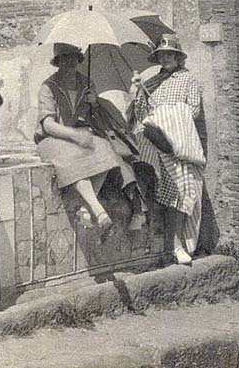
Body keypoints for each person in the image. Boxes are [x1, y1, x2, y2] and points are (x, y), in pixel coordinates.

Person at [35, 43, 147, 233]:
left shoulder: (86, 83)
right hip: (54, 138)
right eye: (64, 58)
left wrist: (94, 104)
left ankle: (87, 209)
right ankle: (97, 210)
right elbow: (47, 125)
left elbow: (94, 117)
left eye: (73, 57)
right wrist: (73, 134)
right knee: (71, 156)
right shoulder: (49, 87)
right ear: (58, 62)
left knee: (104, 148)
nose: (69, 62)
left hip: (80, 136)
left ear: (79, 60)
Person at [129, 35, 205, 266]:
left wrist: (167, 115)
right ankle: (168, 241)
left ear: (178, 56)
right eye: (162, 55)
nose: (166, 58)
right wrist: (136, 92)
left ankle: (177, 243)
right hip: (156, 141)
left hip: (179, 143)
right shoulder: (151, 82)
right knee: (163, 183)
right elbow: (142, 116)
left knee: (184, 190)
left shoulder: (188, 79)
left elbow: (193, 111)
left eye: (170, 54)